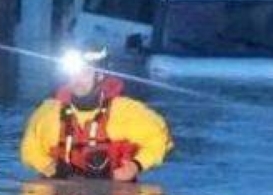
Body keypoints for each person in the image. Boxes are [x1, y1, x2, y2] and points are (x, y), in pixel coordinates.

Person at [19, 46, 173, 181]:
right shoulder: (47, 113)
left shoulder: (126, 111)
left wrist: (136, 166)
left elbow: (161, 137)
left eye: (85, 73)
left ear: (100, 75)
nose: (77, 79)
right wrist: (47, 166)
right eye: (73, 73)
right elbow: (29, 150)